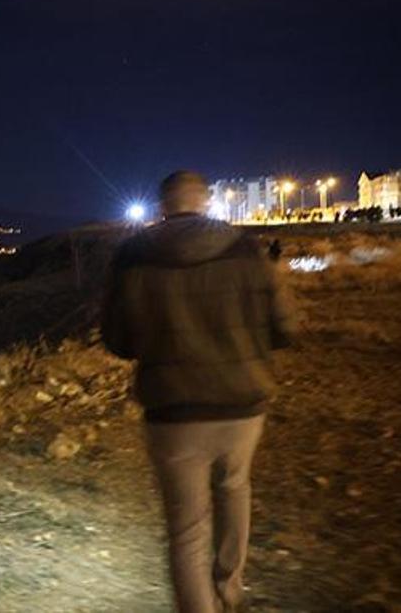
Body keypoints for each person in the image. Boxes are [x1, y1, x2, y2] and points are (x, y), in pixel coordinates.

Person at [102, 171, 294, 613]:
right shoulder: (245, 248)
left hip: (173, 411)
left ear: (162, 206)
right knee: (235, 487)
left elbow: (118, 340)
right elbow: (285, 327)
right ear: (205, 202)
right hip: (243, 403)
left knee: (187, 528)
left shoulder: (132, 256)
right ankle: (229, 589)